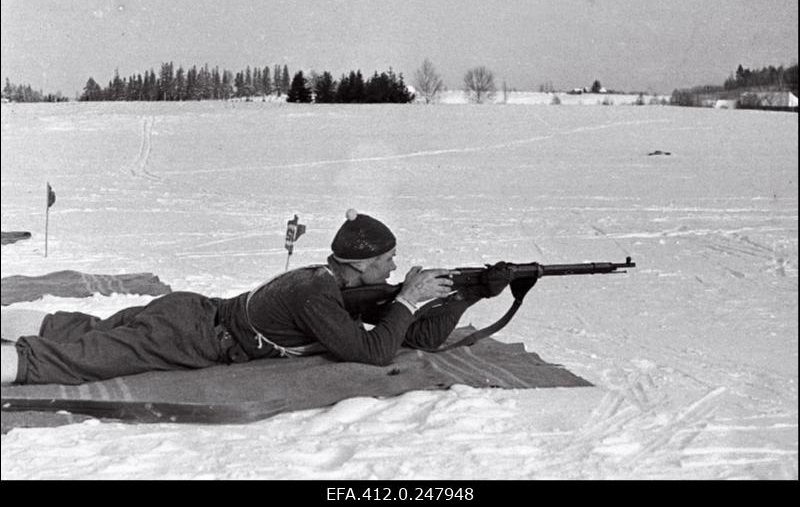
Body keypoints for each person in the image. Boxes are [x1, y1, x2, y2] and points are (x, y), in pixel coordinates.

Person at [1, 209, 506, 386]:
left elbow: (415, 337)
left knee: (84, 330)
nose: (394, 268)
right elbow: (374, 352)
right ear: (358, 265)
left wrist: (469, 295)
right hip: (191, 335)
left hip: (192, 312)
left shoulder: (329, 283)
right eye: (386, 261)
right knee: (80, 360)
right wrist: (406, 300)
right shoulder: (316, 295)